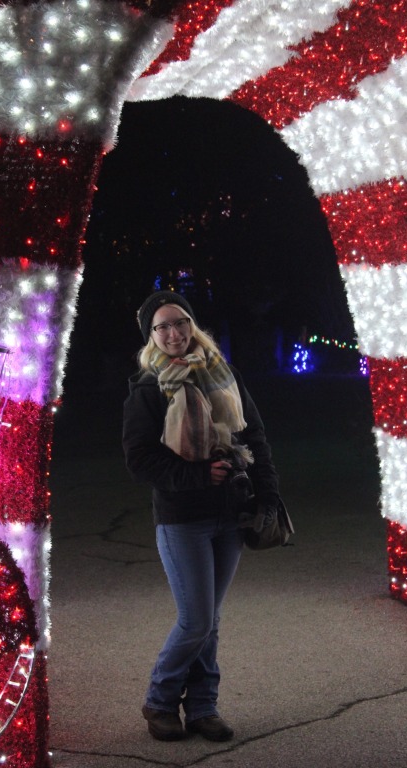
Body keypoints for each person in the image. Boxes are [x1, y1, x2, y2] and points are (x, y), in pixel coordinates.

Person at [122, 290, 280, 742]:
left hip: (231, 513)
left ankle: (205, 707)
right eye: (163, 326)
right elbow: (140, 460)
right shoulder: (149, 387)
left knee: (210, 618)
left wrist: (267, 495)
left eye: (181, 323)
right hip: (181, 519)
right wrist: (197, 474)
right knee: (195, 620)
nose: (174, 333)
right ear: (152, 335)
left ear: (193, 326)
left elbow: (256, 437)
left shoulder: (225, 375)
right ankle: (159, 701)